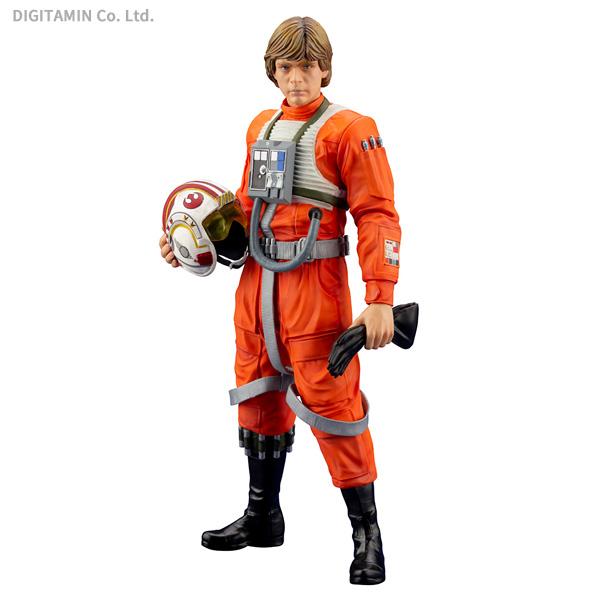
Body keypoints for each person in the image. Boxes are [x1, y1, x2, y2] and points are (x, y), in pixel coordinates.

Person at [159, 16, 401, 585]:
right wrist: (193, 241)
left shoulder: (351, 130)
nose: (296, 78)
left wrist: (381, 297)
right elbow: (246, 211)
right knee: (258, 393)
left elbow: (377, 215)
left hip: (315, 288)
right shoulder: (260, 128)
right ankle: (262, 515)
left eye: (307, 66)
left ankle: (367, 536)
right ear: (273, 70)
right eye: (286, 67)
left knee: (334, 406)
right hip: (257, 289)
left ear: (325, 69)